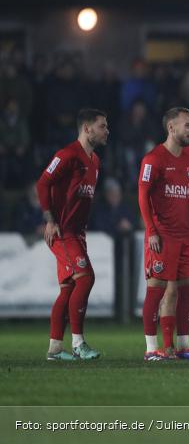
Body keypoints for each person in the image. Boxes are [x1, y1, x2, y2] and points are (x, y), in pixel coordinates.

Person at [36, 108, 109, 361]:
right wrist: (49, 220)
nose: (106, 131)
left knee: (68, 289)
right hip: (62, 231)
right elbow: (42, 183)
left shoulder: (95, 162)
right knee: (85, 278)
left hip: (77, 234)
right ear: (87, 128)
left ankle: (55, 349)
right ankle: (78, 344)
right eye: (102, 126)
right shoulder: (66, 155)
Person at [138, 107, 189, 361]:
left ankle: (182, 345)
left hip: (186, 236)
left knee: (187, 290)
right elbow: (143, 196)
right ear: (171, 128)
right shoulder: (153, 159)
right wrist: (151, 231)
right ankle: (150, 348)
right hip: (163, 236)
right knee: (156, 290)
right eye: (188, 126)